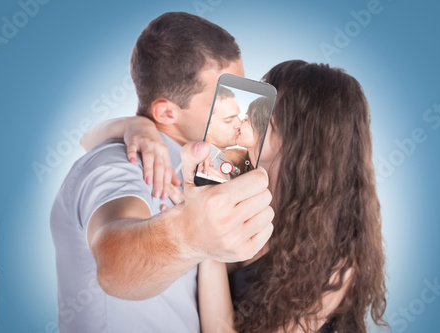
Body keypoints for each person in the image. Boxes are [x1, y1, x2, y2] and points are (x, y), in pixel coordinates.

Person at [82, 61, 388, 332]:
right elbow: (87, 139)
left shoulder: (341, 261)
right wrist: (136, 126)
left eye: (264, 117)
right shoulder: (232, 176)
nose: (242, 121)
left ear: (302, 144)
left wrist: (208, 242)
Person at [50, 12, 275, 333]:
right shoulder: (116, 164)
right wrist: (190, 235)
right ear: (167, 112)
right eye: (224, 96)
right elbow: (113, 263)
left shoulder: (204, 169)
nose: (237, 112)